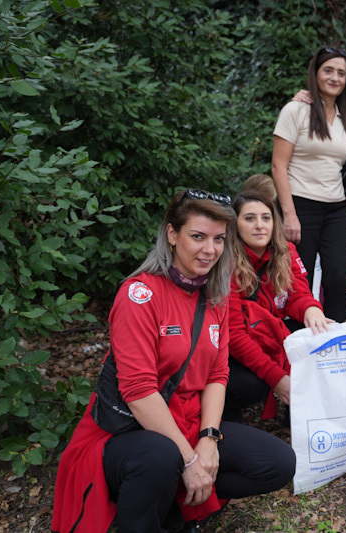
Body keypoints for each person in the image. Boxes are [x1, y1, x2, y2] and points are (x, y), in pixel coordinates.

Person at [52, 189, 296, 533]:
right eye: (197, 236)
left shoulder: (215, 295)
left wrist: (209, 440)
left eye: (218, 239)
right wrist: (191, 457)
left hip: (188, 419)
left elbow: (218, 374)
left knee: (277, 463)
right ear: (171, 234)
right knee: (161, 455)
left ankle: (172, 506)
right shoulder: (140, 295)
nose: (209, 250)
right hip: (127, 433)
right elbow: (138, 392)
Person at [225, 175, 331, 423]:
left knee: (314, 335)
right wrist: (276, 378)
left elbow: (297, 296)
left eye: (266, 218)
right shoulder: (226, 262)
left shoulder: (287, 251)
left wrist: (311, 309)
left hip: (269, 330)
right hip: (238, 341)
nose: (259, 225)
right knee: (251, 385)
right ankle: (225, 417)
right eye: (249, 218)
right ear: (235, 225)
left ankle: (297, 413)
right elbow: (234, 335)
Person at [272, 45, 346, 322]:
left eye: (341, 73)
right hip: (300, 205)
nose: (335, 78)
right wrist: (289, 214)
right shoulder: (296, 110)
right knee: (298, 278)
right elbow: (278, 165)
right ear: (315, 74)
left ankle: (336, 343)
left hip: (335, 208)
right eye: (328, 70)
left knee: (336, 278)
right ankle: (297, 343)